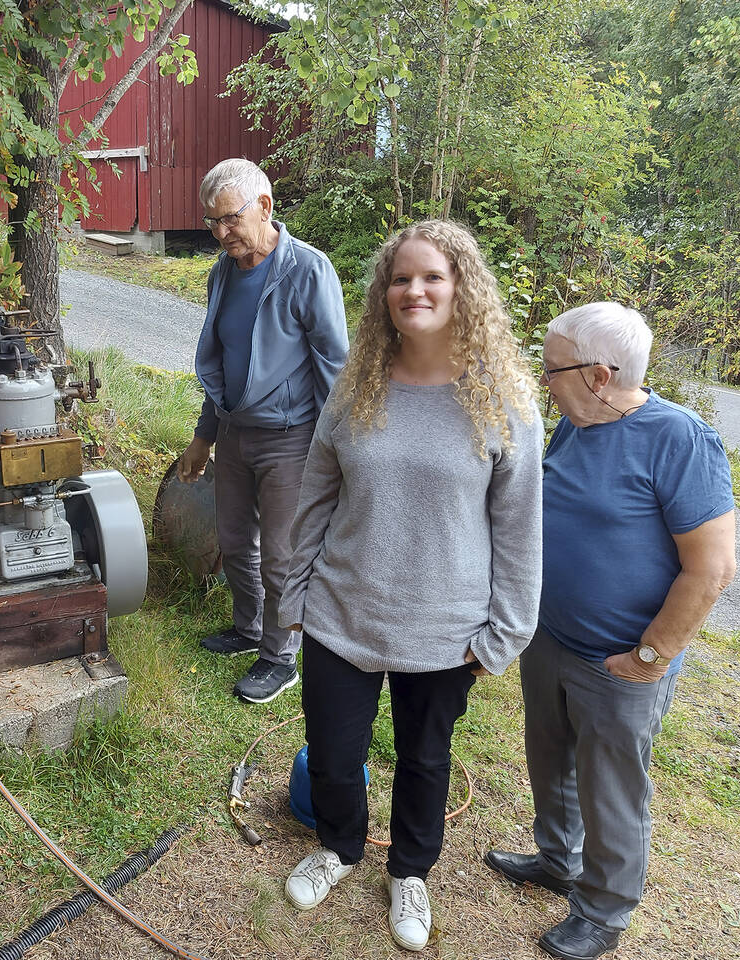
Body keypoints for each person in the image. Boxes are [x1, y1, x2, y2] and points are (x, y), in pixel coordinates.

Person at [278, 220, 543, 951]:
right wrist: (292, 594)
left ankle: (411, 872)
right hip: (341, 611)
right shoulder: (356, 384)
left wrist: (505, 633)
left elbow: (520, 532)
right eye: (400, 279)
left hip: (445, 629)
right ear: (383, 294)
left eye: (431, 276)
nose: (413, 290)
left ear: (463, 288)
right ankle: (338, 846)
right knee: (334, 754)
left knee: (426, 759)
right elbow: (314, 499)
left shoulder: (505, 401)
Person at [483, 302, 737, 960]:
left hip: (621, 662)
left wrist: (652, 653)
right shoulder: (576, 423)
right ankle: (557, 860)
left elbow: (711, 569)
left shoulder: (679, 439)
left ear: (599, 374)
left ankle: (602, 911)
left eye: (552, 369)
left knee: (613, 789)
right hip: (551, 639)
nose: (544, 381)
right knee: (550, 761)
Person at [177, 158, 348, 704]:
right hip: (233, 434)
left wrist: (338, 452)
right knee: (234, 541)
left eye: (229, 219)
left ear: (266, 207)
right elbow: (223, 366)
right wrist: (204, 436)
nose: (220, 232)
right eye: (212, 222)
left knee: (281, 554)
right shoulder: (222, 272)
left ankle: (280, 656)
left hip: (290, 440)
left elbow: (334, 367)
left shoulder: (308, 270)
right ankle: (248, 627)